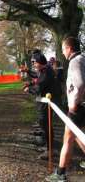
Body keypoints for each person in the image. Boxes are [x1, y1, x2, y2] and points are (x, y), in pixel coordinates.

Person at [45, 37, 85, 182]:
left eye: (63, 49)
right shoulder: (83, 58)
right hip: (82, 106)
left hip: (77, 107)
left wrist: (74, 104)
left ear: (69, 48)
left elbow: (79, 84)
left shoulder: (75, 61)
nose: (62, 52)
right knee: (78, 135)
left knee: (67, 139)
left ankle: (60, 174)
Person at [23, 52, 56, 160]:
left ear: (40, 62)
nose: (33, 64)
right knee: (44, 125)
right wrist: (28, 73)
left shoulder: (47, 72)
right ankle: (48, 147)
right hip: (43, 103)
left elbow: (39, 88)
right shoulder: (43, 70)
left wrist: (29, 89)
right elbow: (36, 75)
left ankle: (50, 151)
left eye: (34, 62)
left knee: (46, 126)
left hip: (47, 104)